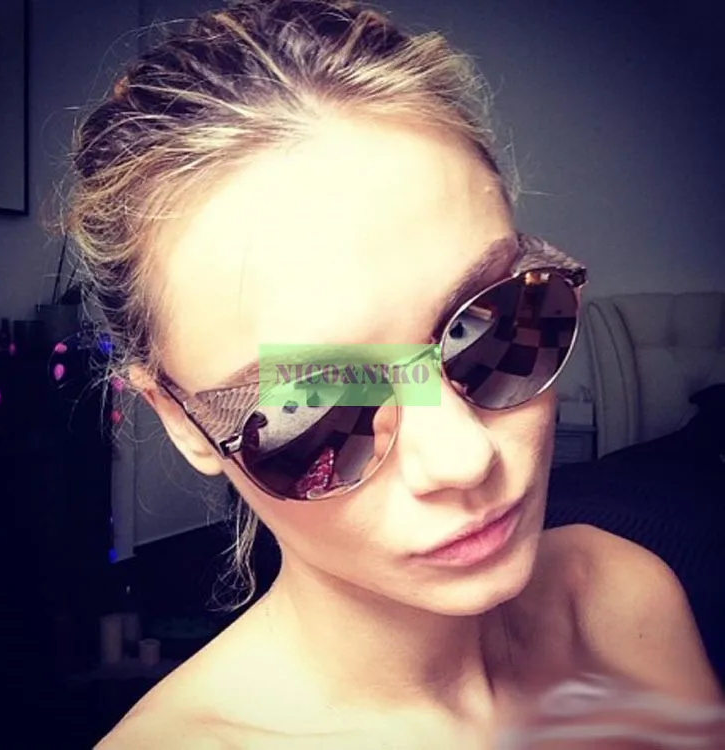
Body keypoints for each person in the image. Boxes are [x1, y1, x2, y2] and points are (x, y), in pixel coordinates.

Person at [65, 1, 722, 747]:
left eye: (499, 324)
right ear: (181, 421)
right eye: (315, 408)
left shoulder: (622, 596)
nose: (465, 458)